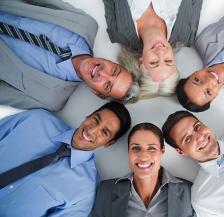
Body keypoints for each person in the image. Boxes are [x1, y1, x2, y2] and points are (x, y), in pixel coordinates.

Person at [0, 102, 131, 217]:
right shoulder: (36, 119)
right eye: (96, 119)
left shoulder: (85, 192)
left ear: (109, 143)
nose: (92, 130)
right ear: (89, 116)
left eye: (105, 132)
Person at [0, 0, 134, 111]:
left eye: (107, 85)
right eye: (114, 71)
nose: (102, 73)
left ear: (98, 93)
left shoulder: (51, 100)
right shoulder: (86, 24)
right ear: (112, 62)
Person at [103, 0, 202, 101]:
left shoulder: (117, 33)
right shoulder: (187, 34)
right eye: (168, 61)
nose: (160, 52)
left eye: (154, 62)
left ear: (140, 62)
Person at [89, 122, 195, 217]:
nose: (143, 157)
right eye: (136, 148)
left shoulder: (188, 191)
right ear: (128, 152)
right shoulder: (106, 190)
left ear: (162, 151)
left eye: (152, 148)